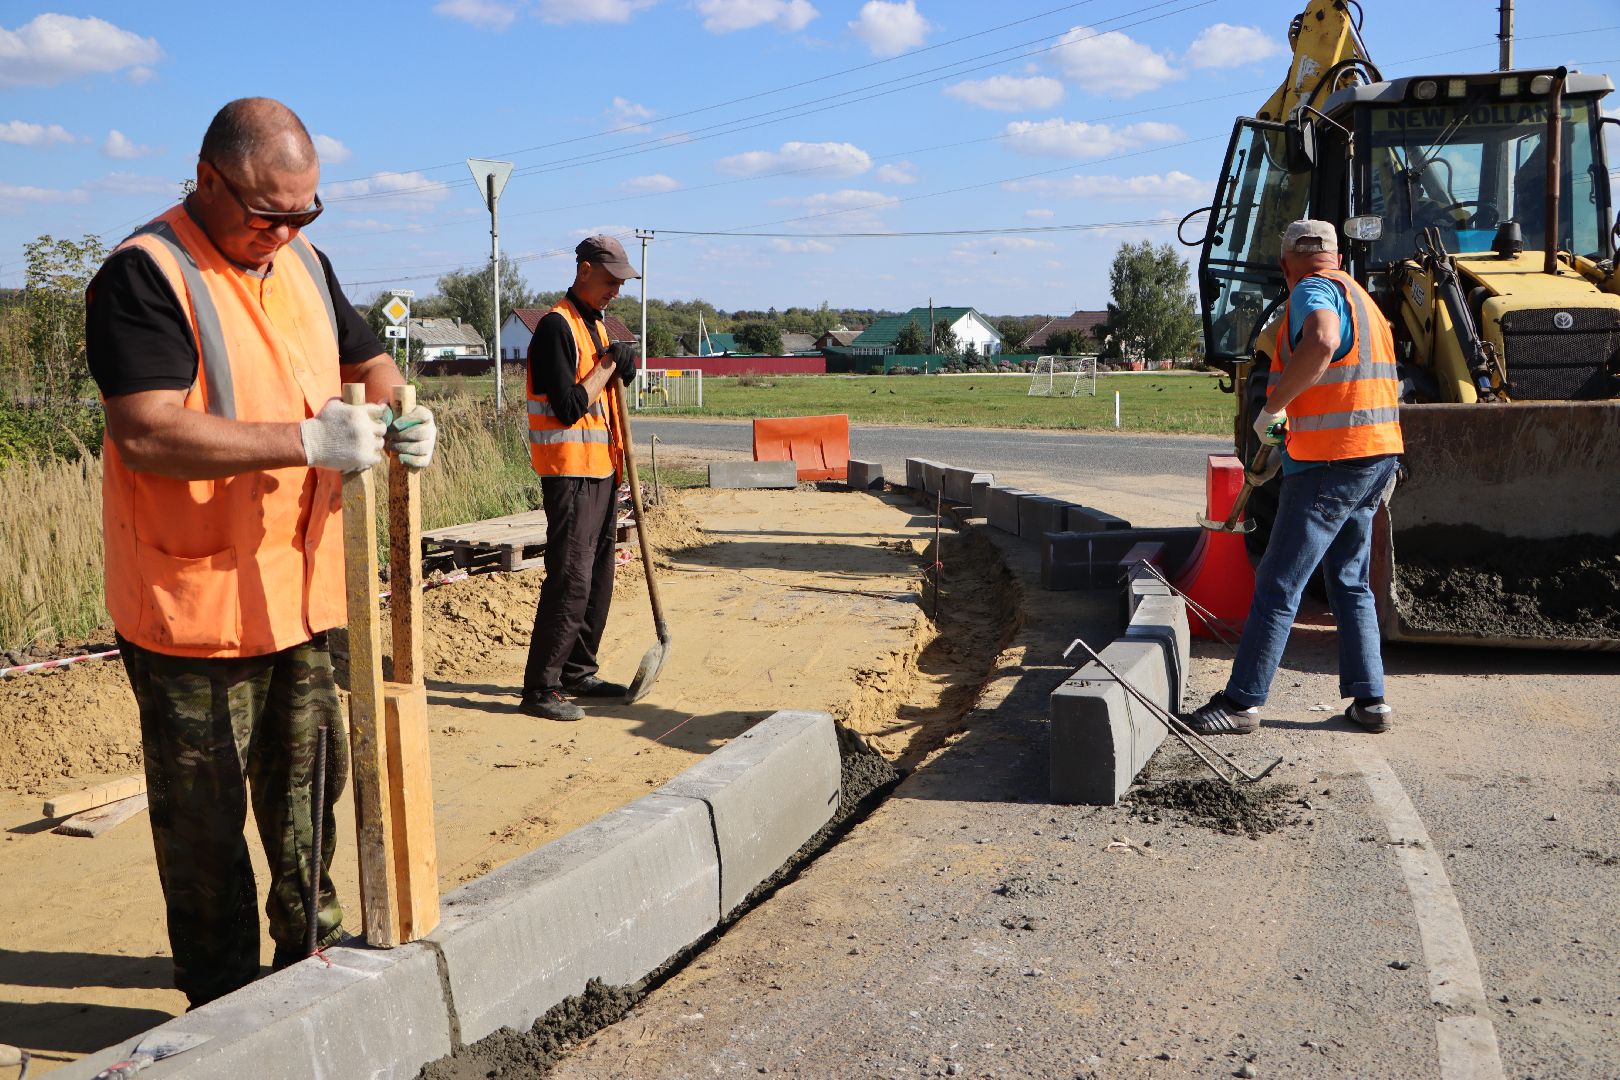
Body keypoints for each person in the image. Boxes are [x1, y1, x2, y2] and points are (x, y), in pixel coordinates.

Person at [84, 97, 437, 1007]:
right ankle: (225, 1009)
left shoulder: (305, 262)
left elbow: (367, 362)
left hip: (308, 596)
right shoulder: (145, 275)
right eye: (265, 214)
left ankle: (311, 980)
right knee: (204, 834)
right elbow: (148, 433)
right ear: (208, 182)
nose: (282, 232)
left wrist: (400, 407)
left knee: (307, 806)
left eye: (303, 213)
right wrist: (308, 443)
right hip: (193, 611)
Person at [1181, 219, 1403, 736]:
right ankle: (1371, 702)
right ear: (1338, 256)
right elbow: (1346, 388)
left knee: (1280, 582)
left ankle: (1241, 702)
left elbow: (1322, 342)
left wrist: (1273, 408)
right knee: (1349, 581)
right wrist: (1289, 440)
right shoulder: (1365, 302)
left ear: (1285, 266)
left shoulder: (1312, 290)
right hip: (1374, 460)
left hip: (1331, 466)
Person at [520, 236, 640, 721]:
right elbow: (569, 406)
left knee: (598, 576)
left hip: (603, 470)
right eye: (611, 281)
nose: (616, 291)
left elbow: (607, 387)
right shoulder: (554, 327)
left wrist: (621, 365)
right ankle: (541, 688)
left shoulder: (594, 325)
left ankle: (577, 671)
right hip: (569, 473)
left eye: (621, 284)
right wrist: (610, 365)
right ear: (585, 270)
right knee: (570, 578)